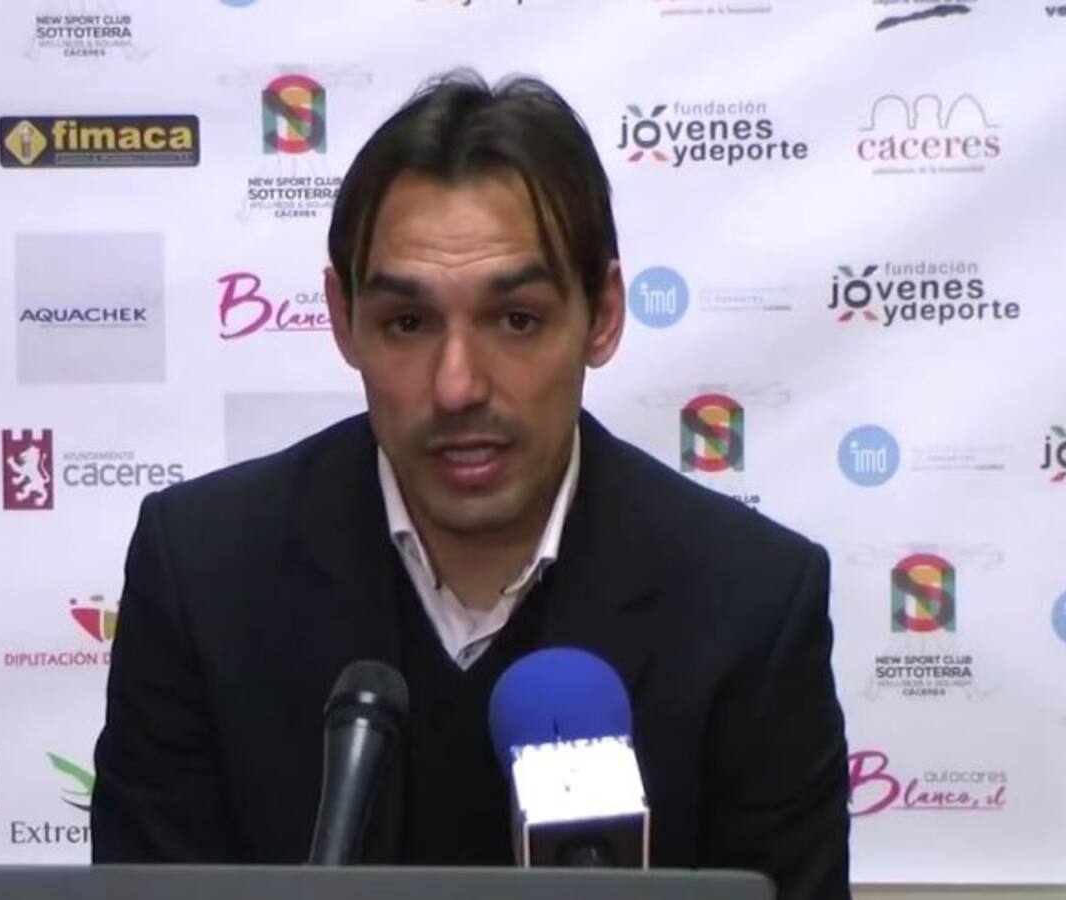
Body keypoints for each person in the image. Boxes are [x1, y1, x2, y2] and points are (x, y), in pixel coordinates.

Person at [91, 70, 850, 898]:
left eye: (516, 320)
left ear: (601, 316)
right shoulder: (203, 574)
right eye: (408, 323)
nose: (458, 386)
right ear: (343, 320)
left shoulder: (749, 602)